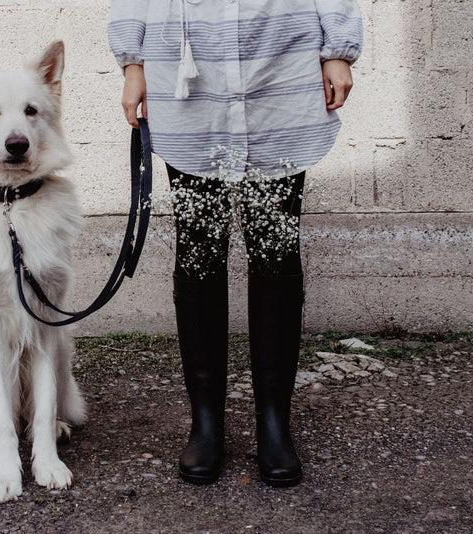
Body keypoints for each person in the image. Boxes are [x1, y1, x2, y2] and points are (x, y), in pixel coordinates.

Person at [108, 0, 363, 487]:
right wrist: (134, 64)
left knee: (276, 251)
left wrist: (338, 48)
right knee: (199, 253)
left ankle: (273, 423)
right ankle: (206, 424)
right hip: (188, 81)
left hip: (278, 65)